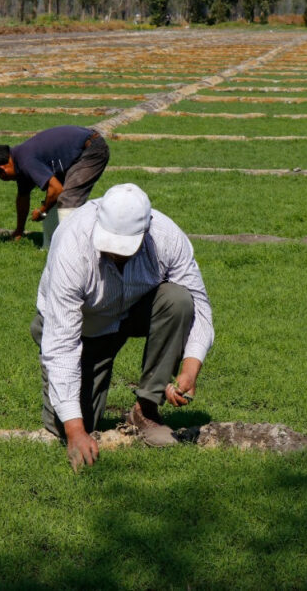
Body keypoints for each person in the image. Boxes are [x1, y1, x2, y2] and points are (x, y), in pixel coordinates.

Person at [30, 183, 214, 471]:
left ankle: (146, 409)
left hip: (128, 314)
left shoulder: (166, 236)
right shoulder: (72, 243)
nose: (117, 254)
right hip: (80, 329)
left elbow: (200, 305)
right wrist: (75, 429)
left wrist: (190, 368)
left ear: (146, 231)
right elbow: (62, 341)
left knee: (178, 300)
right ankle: (77, 413)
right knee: (67, 425)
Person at [0, 125, 109, 248]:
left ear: (2, 170)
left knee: (68, 199)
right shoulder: (19, 159)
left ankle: (70, 249)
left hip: (92, 149)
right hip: (81, 149)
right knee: (54, 200)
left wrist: (42, 210)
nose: (4, 180)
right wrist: (19, 231)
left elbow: (56, 189)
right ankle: (51, 245)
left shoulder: (25, 161)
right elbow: (22, 198)